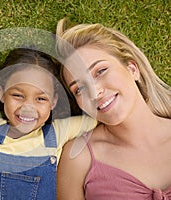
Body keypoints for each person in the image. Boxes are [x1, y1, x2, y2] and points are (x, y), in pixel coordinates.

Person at [0, 47, 96, 200]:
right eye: (18, 95)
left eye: (41, 99)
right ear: (2, 94)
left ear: (53, 102)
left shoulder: (59, 133)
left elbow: (101, 120)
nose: (28, 108)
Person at [55, 18, 171, 200]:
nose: (95, 92)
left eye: (100, 71)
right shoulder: (78, 158)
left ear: (132, 69)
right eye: (80, 89)